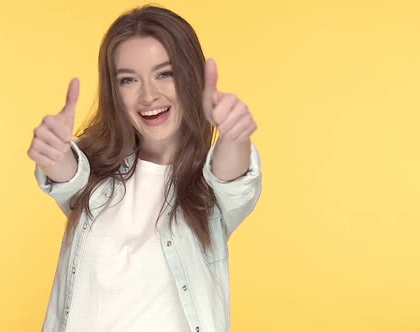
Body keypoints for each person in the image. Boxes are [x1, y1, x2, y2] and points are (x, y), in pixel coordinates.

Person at [27, 5, 262, 332]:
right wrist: (54, 153)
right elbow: (68, 172)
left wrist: (236, 135)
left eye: (165, 74)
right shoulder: (94, 175)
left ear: (190, 77)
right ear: (114, 91)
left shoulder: (208, 193)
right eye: (128, 80)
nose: (149, 95)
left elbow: (233, 177)